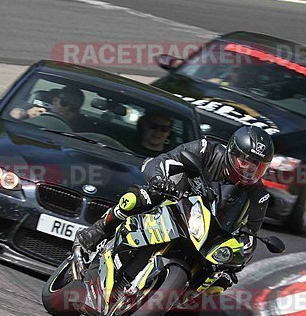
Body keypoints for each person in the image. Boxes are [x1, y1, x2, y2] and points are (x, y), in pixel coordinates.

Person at [75, 125, 274, 291]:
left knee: (219, 281)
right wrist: (160, 180)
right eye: (245, 162)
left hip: (208, 233)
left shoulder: (259, 195)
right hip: (174, 200)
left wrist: (237, 263)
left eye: (258, 167)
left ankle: (170, 296)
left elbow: (250, 236)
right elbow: (159, 162)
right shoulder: (206, 150)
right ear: (232, 152)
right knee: (137, 198)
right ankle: (97, 232)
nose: (250, 170)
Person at [9, 86, 85, 127]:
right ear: (55, 101)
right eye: (64, 103)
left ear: (77, 112)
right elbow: (11, 114)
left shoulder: (78, 127)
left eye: (73, 108)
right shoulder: (35, 108)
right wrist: (26, 114)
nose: (66, 109)